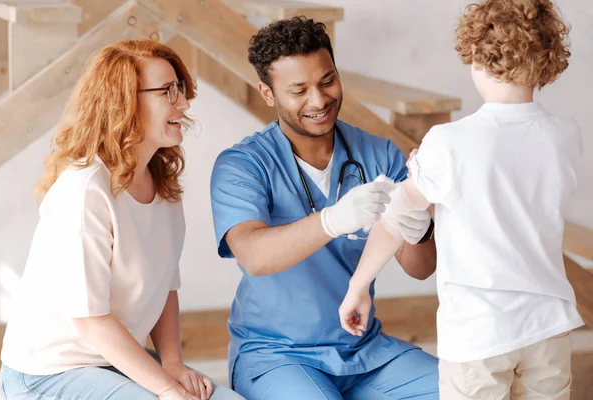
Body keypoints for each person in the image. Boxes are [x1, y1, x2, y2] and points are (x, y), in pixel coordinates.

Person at [340, 1, 583, 398]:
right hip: (549, 328)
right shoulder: (567, 136)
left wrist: (358, 286)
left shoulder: (449, 143)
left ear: (476, 57)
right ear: (546, 60)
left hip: (478, 336)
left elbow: (397, 217)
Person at [0, 40, 243, 400]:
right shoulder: (85, 190)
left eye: (181, 89)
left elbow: (166, 289)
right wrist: (164, 387)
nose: (185, 104)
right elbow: (90, 319)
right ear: (124, 102)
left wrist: (173, 364)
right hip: (47, 372)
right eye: (168, 91)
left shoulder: (163, 187)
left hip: (114, 359)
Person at [210, 17, 438, 399]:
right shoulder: (243, 164)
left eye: (327, 80)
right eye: (298, 90)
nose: (318, 100)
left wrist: (421, 228)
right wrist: (332, 220)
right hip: (276, 356)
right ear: (268, 94)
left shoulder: (378, 153)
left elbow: (420, 268)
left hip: (365, 351)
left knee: (464, 391)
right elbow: (253, 256)